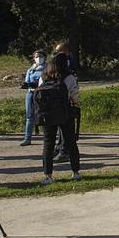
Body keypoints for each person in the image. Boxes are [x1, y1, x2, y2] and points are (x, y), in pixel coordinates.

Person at [40, 52, 81, 185]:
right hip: (65, 112)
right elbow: (74, 98)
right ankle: (75, 172)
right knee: (71, 142)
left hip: (47, 114)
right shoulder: (69, 77)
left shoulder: (43, 77)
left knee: (48, 144)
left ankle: (48, 175)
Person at [20, 50, 46, 147]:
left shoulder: (46, 68)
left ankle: (47, 138)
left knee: (43, 114)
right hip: (30, 93)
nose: (38, 58)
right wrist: (25, 84)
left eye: (40, 56)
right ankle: (27, 138)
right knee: (29, 116)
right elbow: (27, 81)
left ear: (45, 57)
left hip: (41, 93)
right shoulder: (31, 69)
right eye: (36, 56)